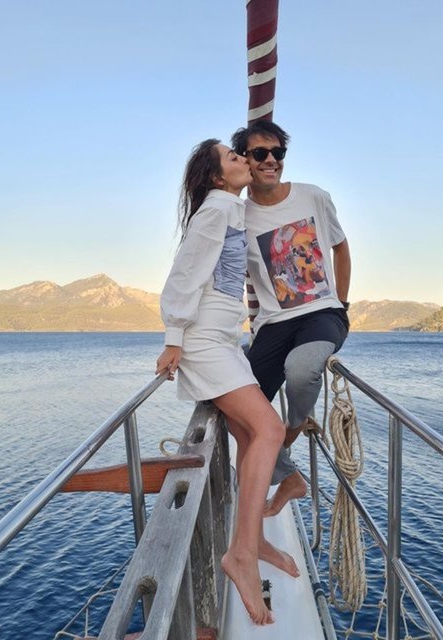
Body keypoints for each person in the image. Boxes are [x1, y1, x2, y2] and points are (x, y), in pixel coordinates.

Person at [156, 139, 299, 626]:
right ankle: (240, 554)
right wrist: (174, 338)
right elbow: (183, 275)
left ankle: (254, 540)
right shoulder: (215, 210)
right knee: (270, 430)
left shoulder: (232, 209)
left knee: (249, 434)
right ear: (218, 177)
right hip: (203, 342)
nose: (244, 160)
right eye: (235, 157)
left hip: (225, 340)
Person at [231, 121, 351, 517]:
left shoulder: (313, 197)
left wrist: (342, 304)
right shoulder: (238, 216)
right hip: (272, 324)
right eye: (259, 153)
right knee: (233, 408)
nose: (270, 160)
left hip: (322, 313)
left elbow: (341, 248)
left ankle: (291, 430)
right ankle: (289, 477)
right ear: (245, 160)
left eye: (277, 152)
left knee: (301, 370)